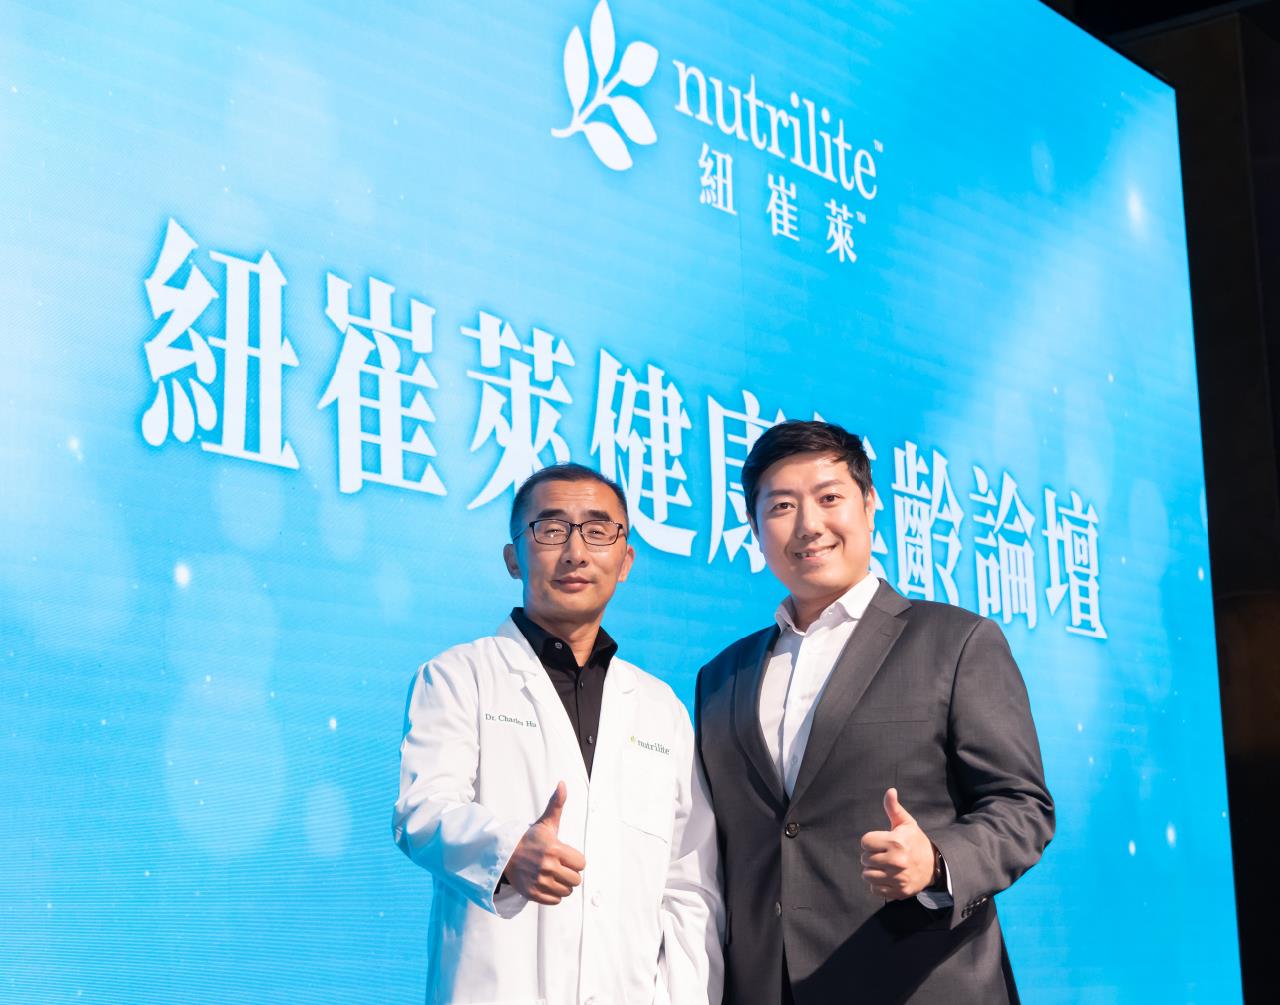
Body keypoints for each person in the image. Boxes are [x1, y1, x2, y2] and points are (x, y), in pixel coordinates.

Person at [694, 420, 1054, 1004]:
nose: (808, 525)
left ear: (868, 505)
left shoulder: (955, 641)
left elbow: (1021, 806)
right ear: (755, 529)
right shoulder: (721, 677)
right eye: (781, 506)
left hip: (919, 982)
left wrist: (937, 862)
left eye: (829, 497)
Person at [393, 462, 723, 1005]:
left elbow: (690, 884)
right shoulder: (458, 676)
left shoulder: (660, 707)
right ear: (512, 558)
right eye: (550, 529)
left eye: (598, 530)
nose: (575, 552)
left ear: (625, 561)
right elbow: (422, 812)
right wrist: (506, 851)